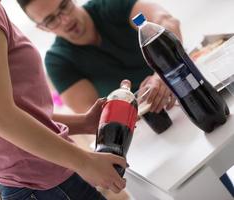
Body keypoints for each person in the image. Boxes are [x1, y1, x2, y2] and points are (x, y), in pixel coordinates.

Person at [17, 0, 234, 197]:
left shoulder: (110, 6)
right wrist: (143, 99)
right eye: (51, 20)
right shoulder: (58, 61)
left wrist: (162, 74)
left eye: (63, 6)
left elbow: (167, 22)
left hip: (191, 98)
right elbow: (98, 114)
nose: (64, 20)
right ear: (41, 28)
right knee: (188, 184)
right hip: (146, 135)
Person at [0, 0, 129, 199]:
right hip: (43, 183)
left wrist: (83, 123)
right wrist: (84, 161)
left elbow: (16, 116)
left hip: (41, 181)